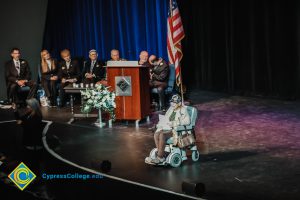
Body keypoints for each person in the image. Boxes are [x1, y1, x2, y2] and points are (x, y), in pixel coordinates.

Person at [145, 94, 190, 165]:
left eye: (174, 102)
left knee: (162, 135)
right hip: (167, 127)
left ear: (179, 103)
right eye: (172, 102)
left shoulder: (183, 109)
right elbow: (165, 118)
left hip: (175, 129)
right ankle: (161, 153)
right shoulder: (171, 108)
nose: (172, 104)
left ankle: (160, 157)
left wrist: (175, 122)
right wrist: (158, 125)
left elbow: (187, 121)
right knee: (156, 134)